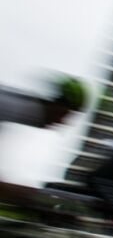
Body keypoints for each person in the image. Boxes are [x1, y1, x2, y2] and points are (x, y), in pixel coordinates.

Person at [0, 75, 88, 208]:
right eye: (66, 114)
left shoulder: (13, 106)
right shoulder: (7, 106)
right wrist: (35, 200)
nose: (63, 122)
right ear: (54, 103)